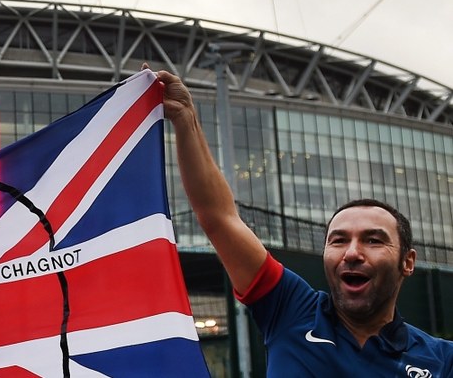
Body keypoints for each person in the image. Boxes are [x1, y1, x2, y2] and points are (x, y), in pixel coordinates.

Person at [153, 68, 453, 377]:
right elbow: (219, 217)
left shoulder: (442, 360)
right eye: (338, 240)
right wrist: (185, 120)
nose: (352, 252)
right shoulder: (290, 308)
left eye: (373, 240)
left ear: (407, 261)